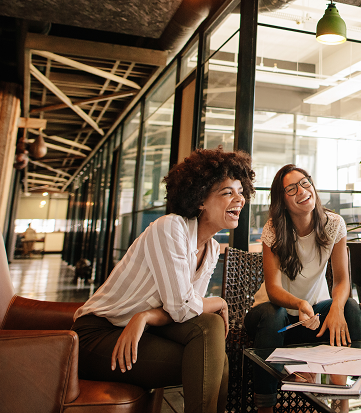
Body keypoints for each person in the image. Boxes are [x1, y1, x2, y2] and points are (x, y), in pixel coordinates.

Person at [72, 148, 255, 413]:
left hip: (144, 329)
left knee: (211, 333)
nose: (239, 199)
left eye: (241, 192)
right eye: (228, 192)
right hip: (97, 335)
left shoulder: (212, 248)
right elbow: (183, 307)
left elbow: (187, 312)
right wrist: (219, 301)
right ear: (201, 199)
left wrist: (145, 316)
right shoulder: (170, 227)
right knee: (212, 358)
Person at [244, 164, 361, 413]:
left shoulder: (334, 224)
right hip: (274, 321)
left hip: (310, 319)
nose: (302, 190)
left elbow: (342, 280)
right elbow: (273, 289)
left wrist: (337, 308)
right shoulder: (274, 230)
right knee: (273, 313)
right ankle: (264, 407)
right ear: (282, 201)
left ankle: (341, 400)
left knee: (349, 308)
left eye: (305, 182)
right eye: (291, 188)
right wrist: (299, 303)